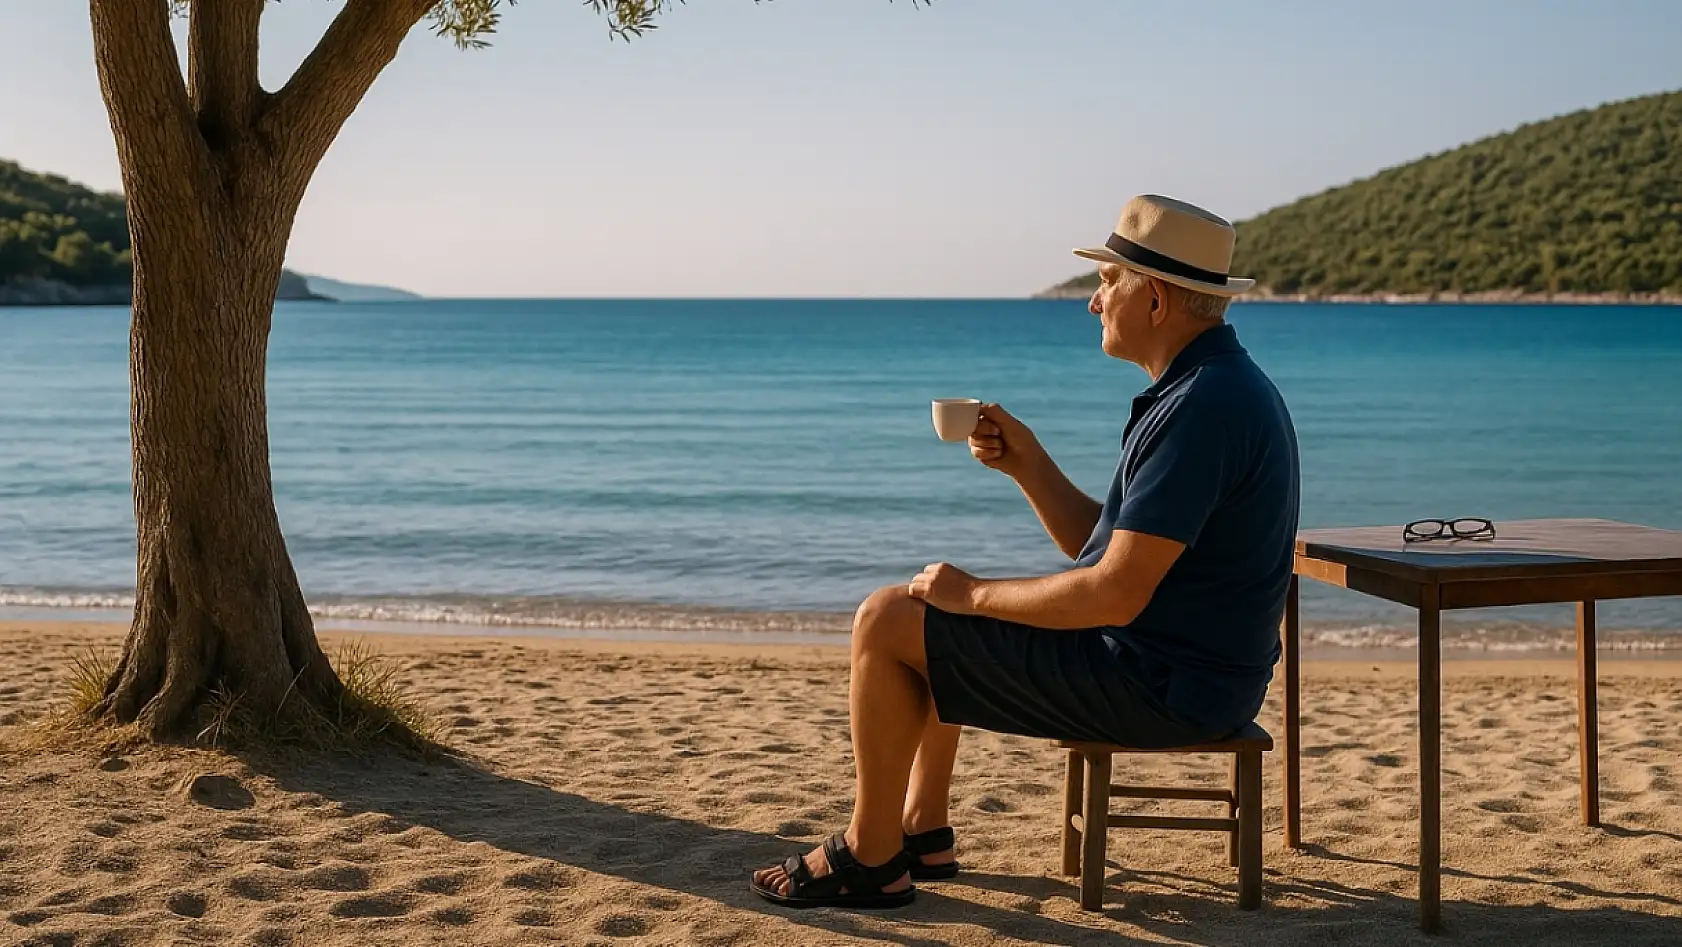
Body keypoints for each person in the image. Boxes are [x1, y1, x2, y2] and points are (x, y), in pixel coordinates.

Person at [751, 194, 1301, 910]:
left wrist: (974, 595)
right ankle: (921, 831)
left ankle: (870, 853)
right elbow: (1111, 550)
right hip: (1189, 671)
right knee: (930, 612)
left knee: (888, 619)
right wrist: (1029, 465)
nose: (1093, 303)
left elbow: (1112, 592)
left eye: (1107, 283)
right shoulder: (1213, 389)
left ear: (1156, 300)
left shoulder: (1201, 408)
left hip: (1164, 687)